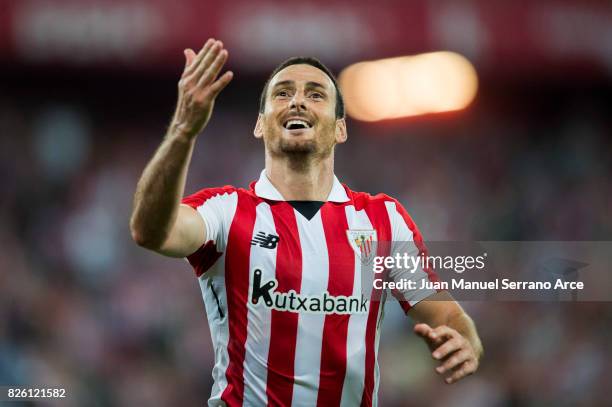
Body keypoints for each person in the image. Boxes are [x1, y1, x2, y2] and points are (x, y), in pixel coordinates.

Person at [130, 38, 483, 407]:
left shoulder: (383, 220)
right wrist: (183, 130)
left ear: (340, 129)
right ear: (260, 126)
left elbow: (446, 313)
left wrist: (466, 341)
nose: (297, 100)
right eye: (282, 94)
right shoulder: (226, 211)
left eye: (315, 94)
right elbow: (151, 231)